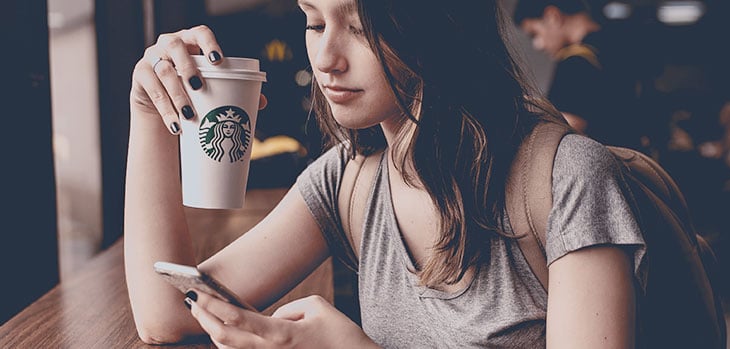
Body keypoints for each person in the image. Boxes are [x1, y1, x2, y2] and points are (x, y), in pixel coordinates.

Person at [125, 0, 647, 347]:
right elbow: (166, 312)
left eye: (360, 27)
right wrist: (149, 112)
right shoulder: (348, 180)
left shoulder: (567, 178)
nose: (326, 57)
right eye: (313, 21)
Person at [513, 0, 651, 150]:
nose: (538, 45)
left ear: (552, 16)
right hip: (639, 160)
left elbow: (566, 130)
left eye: (534, 34)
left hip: (605, 165)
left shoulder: (575, 63)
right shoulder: (624, 43)